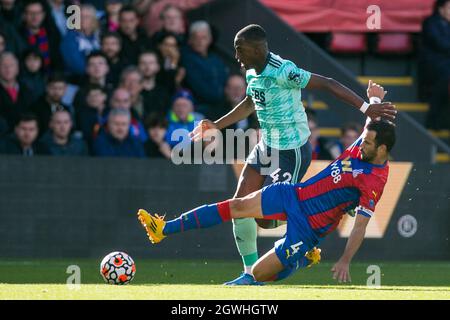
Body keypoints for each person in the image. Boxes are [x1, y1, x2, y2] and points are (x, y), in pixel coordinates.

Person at [189, 24, 397, 285]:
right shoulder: (252, 73)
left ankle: (307, 236)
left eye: (239, 50)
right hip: (267, 146)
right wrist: (217, 125)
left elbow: (328, 84)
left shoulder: (284, 71)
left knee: (265, 221)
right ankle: (248, 274)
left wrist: (366, 107)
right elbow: (252, 102)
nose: (236, 56)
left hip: (291, 150)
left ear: (256, 49)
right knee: (240, 205)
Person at [138, 83, 396, 284]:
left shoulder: (375, 179)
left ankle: (300, 260)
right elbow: (368, 125)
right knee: (237, 206)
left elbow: (360, 226)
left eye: (367, 143)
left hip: (309, 228)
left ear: (382, 149)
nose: (361, 144)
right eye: (362, 140)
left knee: (258, 276)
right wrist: (374, 99)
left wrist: (345, 260)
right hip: (292, 195)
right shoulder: (365, 144)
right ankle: (164, 229)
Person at [181, 20, 229, 115]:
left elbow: (224, 79)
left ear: (210, 39)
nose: (200, 41)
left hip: (219, 107)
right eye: (196, 38)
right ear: (190, 40)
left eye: (204, 37)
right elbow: (197, 85)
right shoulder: (185, 58)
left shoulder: (216, 58)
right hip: (198, 108)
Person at [419, 0, 450, 130]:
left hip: (446, 65)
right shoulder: (430, 23)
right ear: (440, 8)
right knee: (446, 75)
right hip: (433, 65)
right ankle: (432, 119)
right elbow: (440, 44)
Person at [60, 4, 100, 78]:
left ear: (93, 20)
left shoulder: (98, 36)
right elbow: (75, 64)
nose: (82, 20)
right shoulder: (70, 38)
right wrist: (95, 72)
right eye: (80, 17)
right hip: (78, 79)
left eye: (87, 17)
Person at [0, 52, 33, 132]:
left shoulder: (26, 89)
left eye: (11, 65)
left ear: (17, 68)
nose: (8, 69)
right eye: (4, 65)